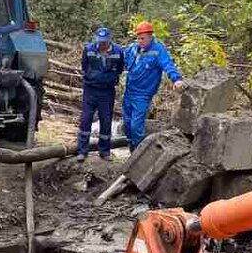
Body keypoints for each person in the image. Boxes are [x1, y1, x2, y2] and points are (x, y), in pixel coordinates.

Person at [122, 21, 183, 150]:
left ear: (150, 36)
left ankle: (136, 154)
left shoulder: (158, 51)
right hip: (129, 91)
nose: (140, 41)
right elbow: (123, 59)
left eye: (143, 38)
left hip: (143, 95)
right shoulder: (133, 48)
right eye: (138, 38)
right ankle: (130, 146)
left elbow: (168, 65)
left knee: (136, 126)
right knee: (127, 124)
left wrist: (176, 79)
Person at [77, 26, 124, 160]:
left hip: (107, 91)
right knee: (86, 120)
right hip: (90, 89)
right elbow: (84, 66)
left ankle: (104, 152)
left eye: (104, 42)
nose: (101, 44)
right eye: (99, 41)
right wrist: (92, 77)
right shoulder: (89, 49)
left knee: (106, 120)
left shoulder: (118, 51)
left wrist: (108, 78)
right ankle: (82, 151)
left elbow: (120, 69)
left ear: (109, 40)